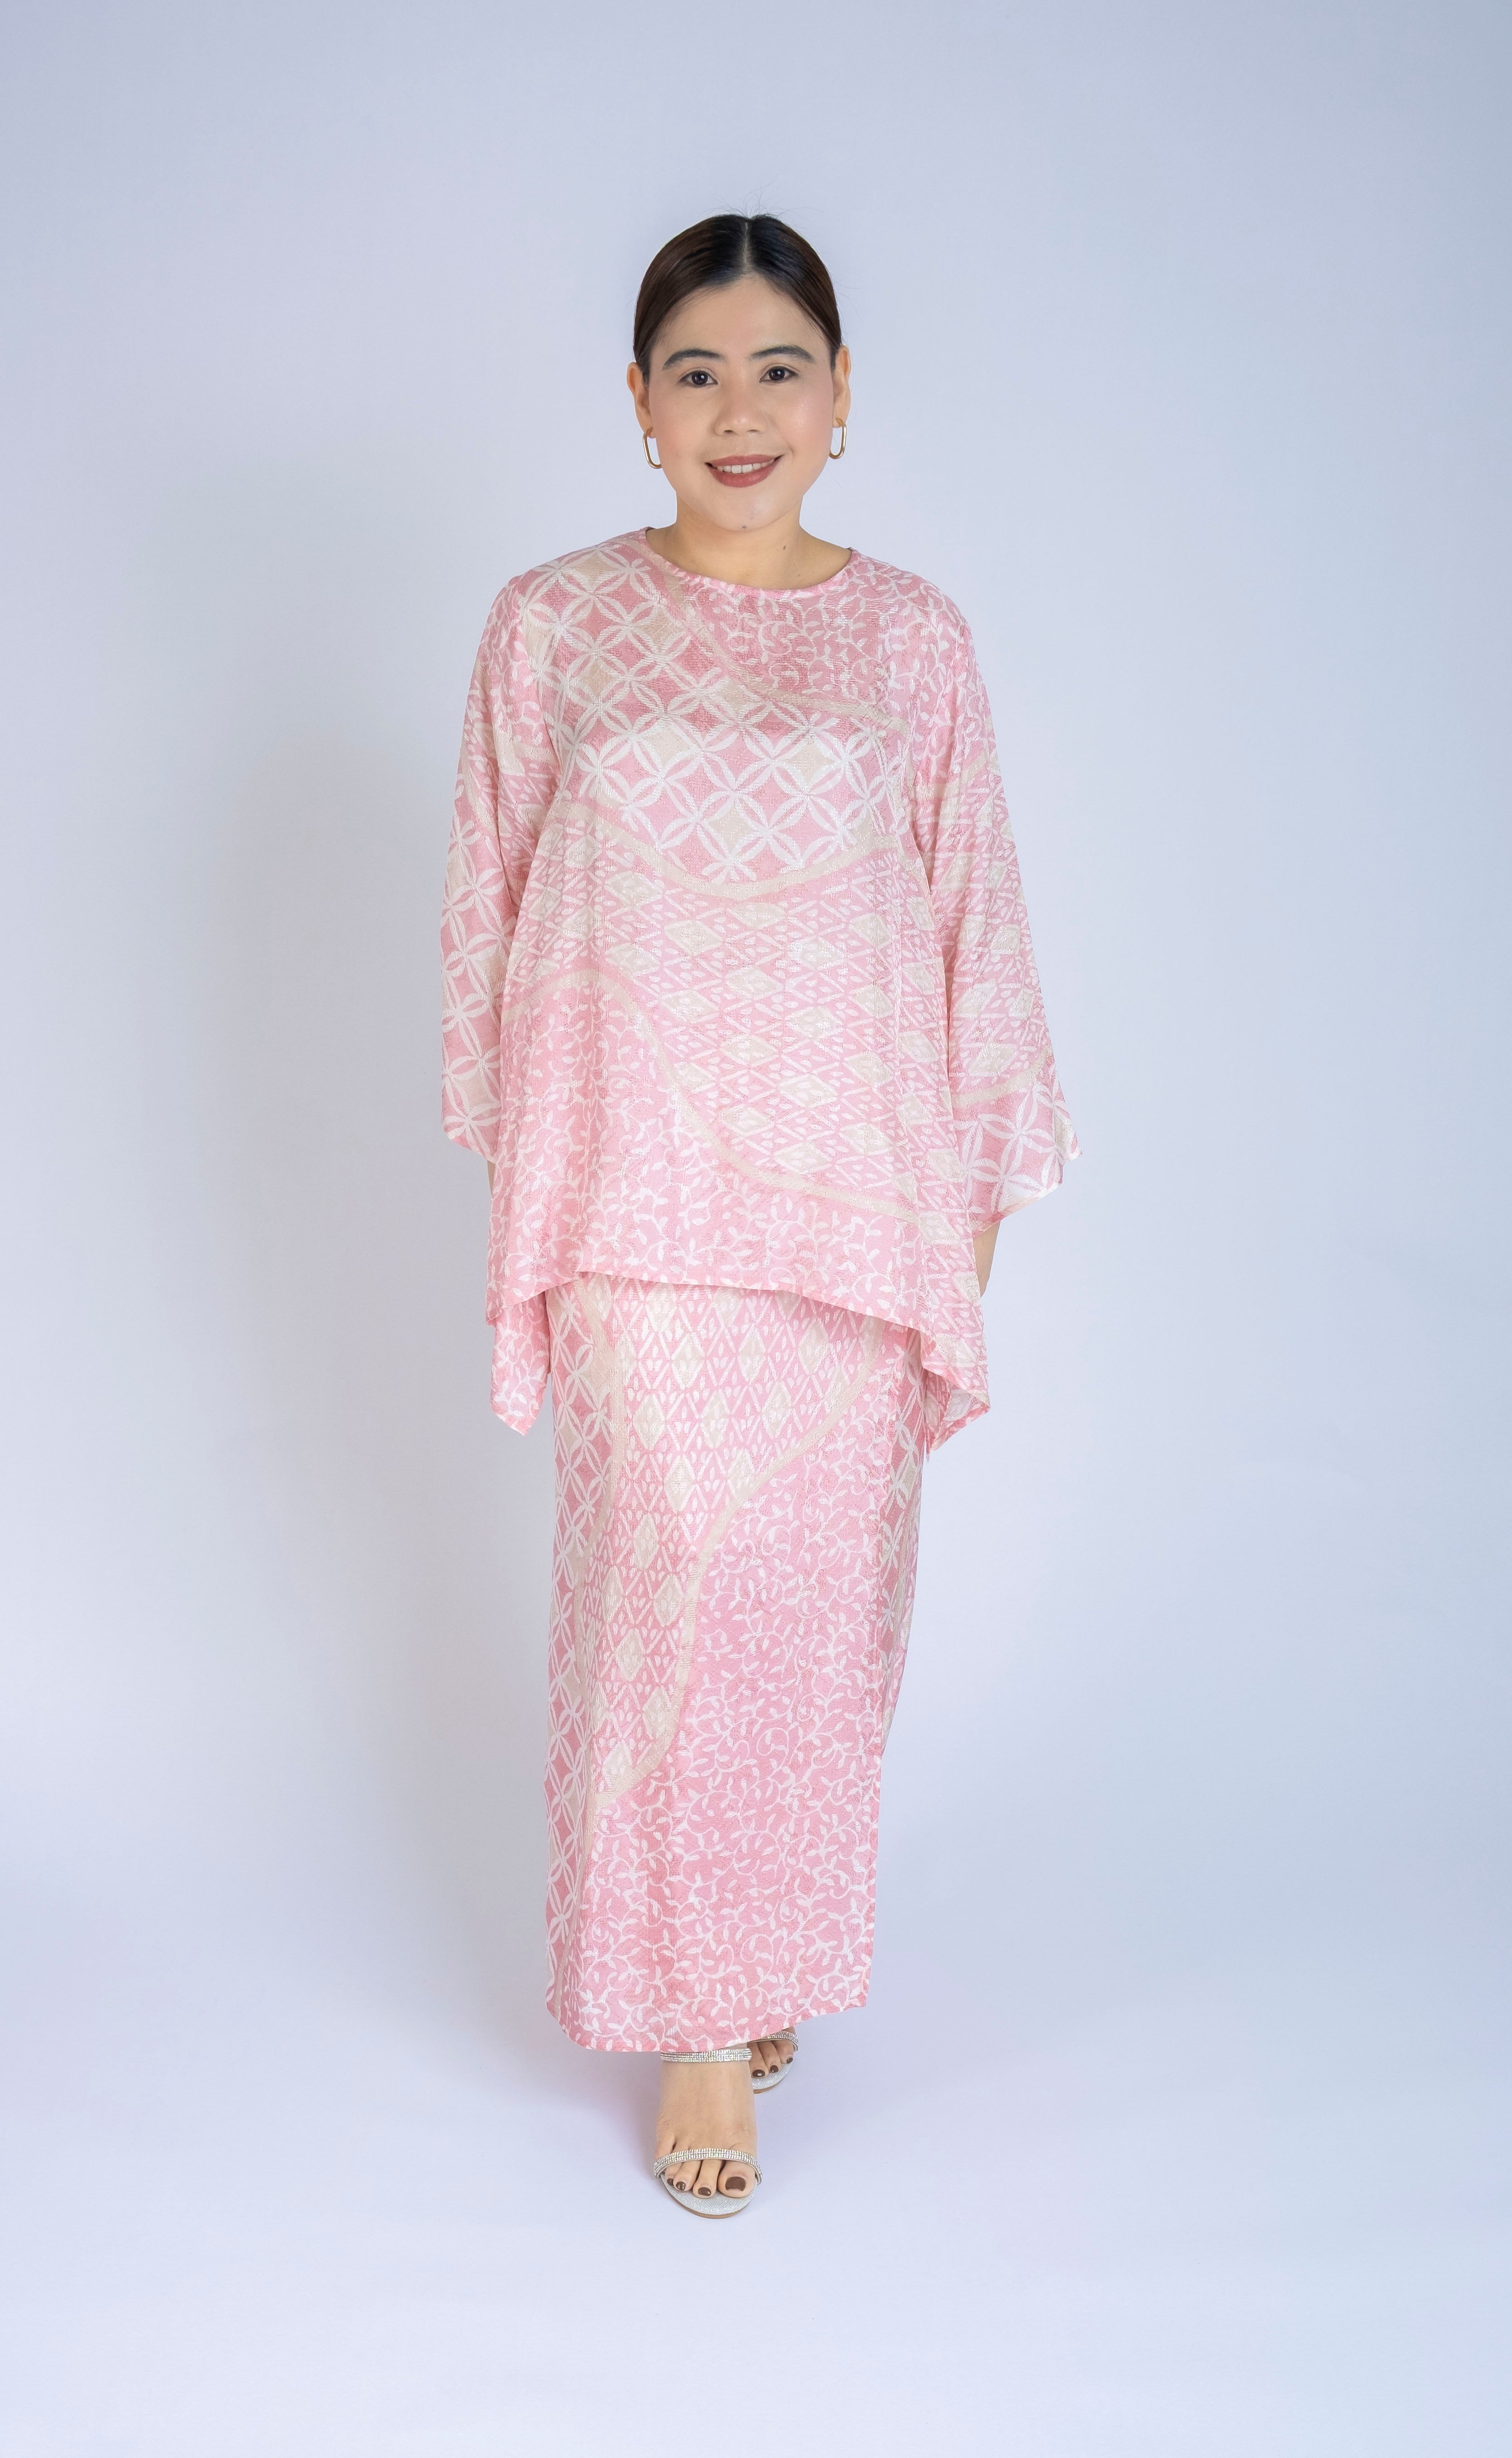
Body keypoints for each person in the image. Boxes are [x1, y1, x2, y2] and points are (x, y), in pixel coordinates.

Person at [441, 213, 1077, 2215]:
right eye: (697, 371)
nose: (740, 409)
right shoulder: (553, 629)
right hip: (638, 1204)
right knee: (668, 1595)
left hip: (856, 1216)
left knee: (818, 1611)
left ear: (842, 395)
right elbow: (487, 920)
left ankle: (757, 1955)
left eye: (778, 368)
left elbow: (975, 920)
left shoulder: (912, 644)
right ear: (639, 404)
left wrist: (968, 1209)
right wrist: (530, 1180)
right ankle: (699, 2027)